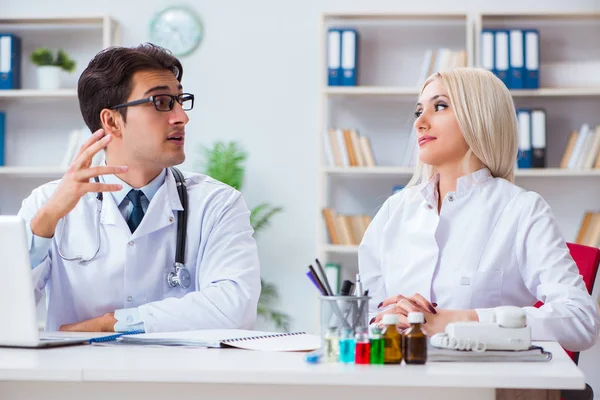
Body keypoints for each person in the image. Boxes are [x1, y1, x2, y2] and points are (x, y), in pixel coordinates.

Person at [17, 43, 261, 333]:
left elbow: (235, 308)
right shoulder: (48, 203)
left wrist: (114, 323)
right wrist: (45, 224)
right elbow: (6, 308)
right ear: (112, 121)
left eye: (180, 100)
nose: (182, 117)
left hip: (181, 376)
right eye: (161, 102)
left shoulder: (218, 203)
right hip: (80, 375)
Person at [359, 67, 599, 352]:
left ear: (479, 117)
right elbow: (363, 315)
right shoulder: (394, 210)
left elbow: (580, 320)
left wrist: (459, 321)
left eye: (440, 106)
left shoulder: (521, 209)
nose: (420, 123)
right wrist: (382, 321)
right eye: (418, 111)